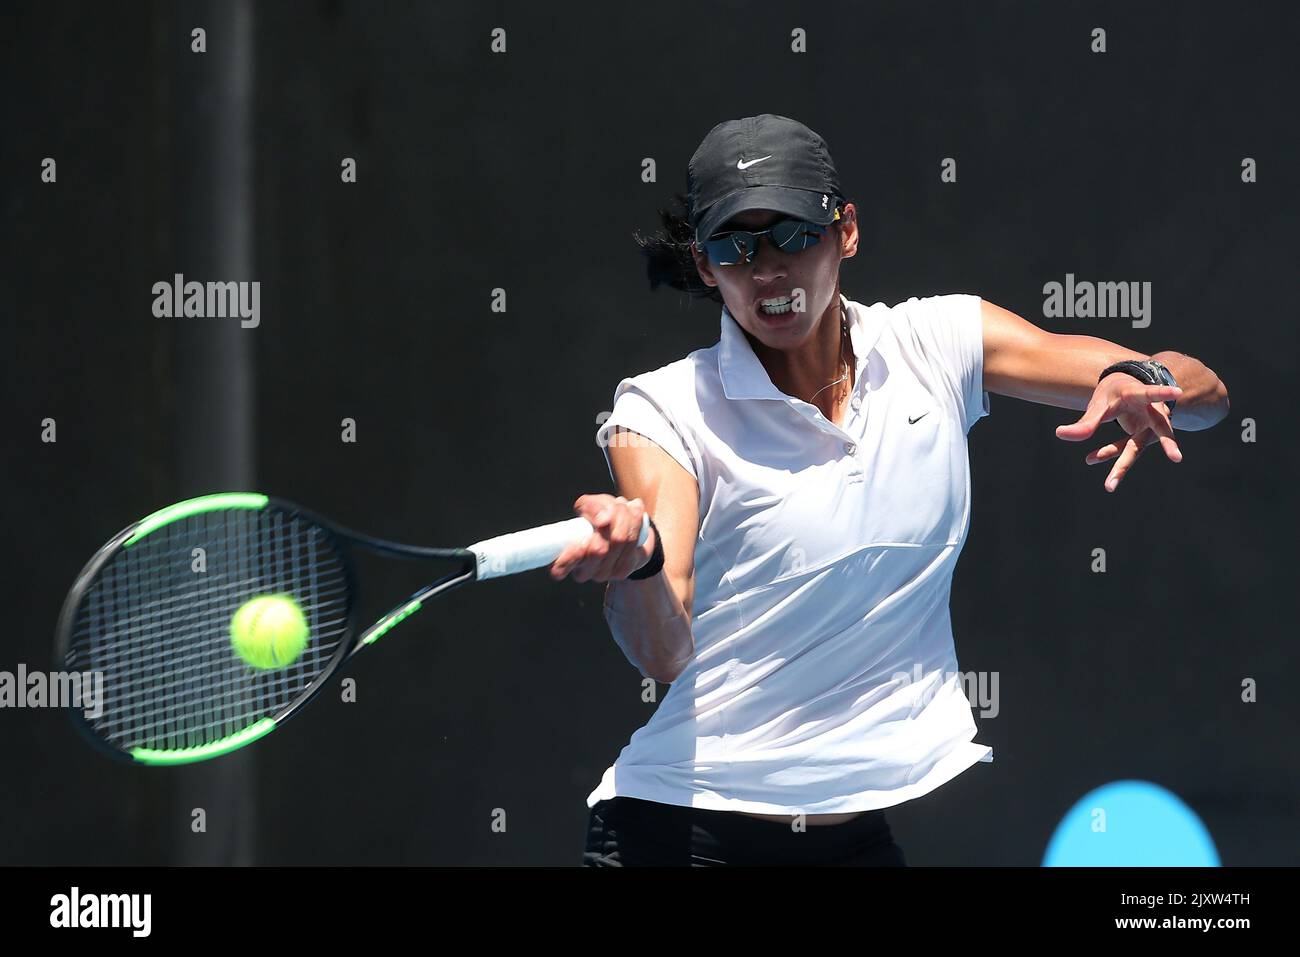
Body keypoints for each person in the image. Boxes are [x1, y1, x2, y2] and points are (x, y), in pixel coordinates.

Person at [550, 114, 1230, 866]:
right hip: (676, 836)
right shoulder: (663, 409)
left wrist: (1147, 380)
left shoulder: (937, 343)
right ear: (706, 267)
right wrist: (641, 562)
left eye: (793, 235)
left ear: (846, 231)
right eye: (734, 247)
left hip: (850, 841)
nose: (767, 269)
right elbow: (664, 651)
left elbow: (1208, 393)